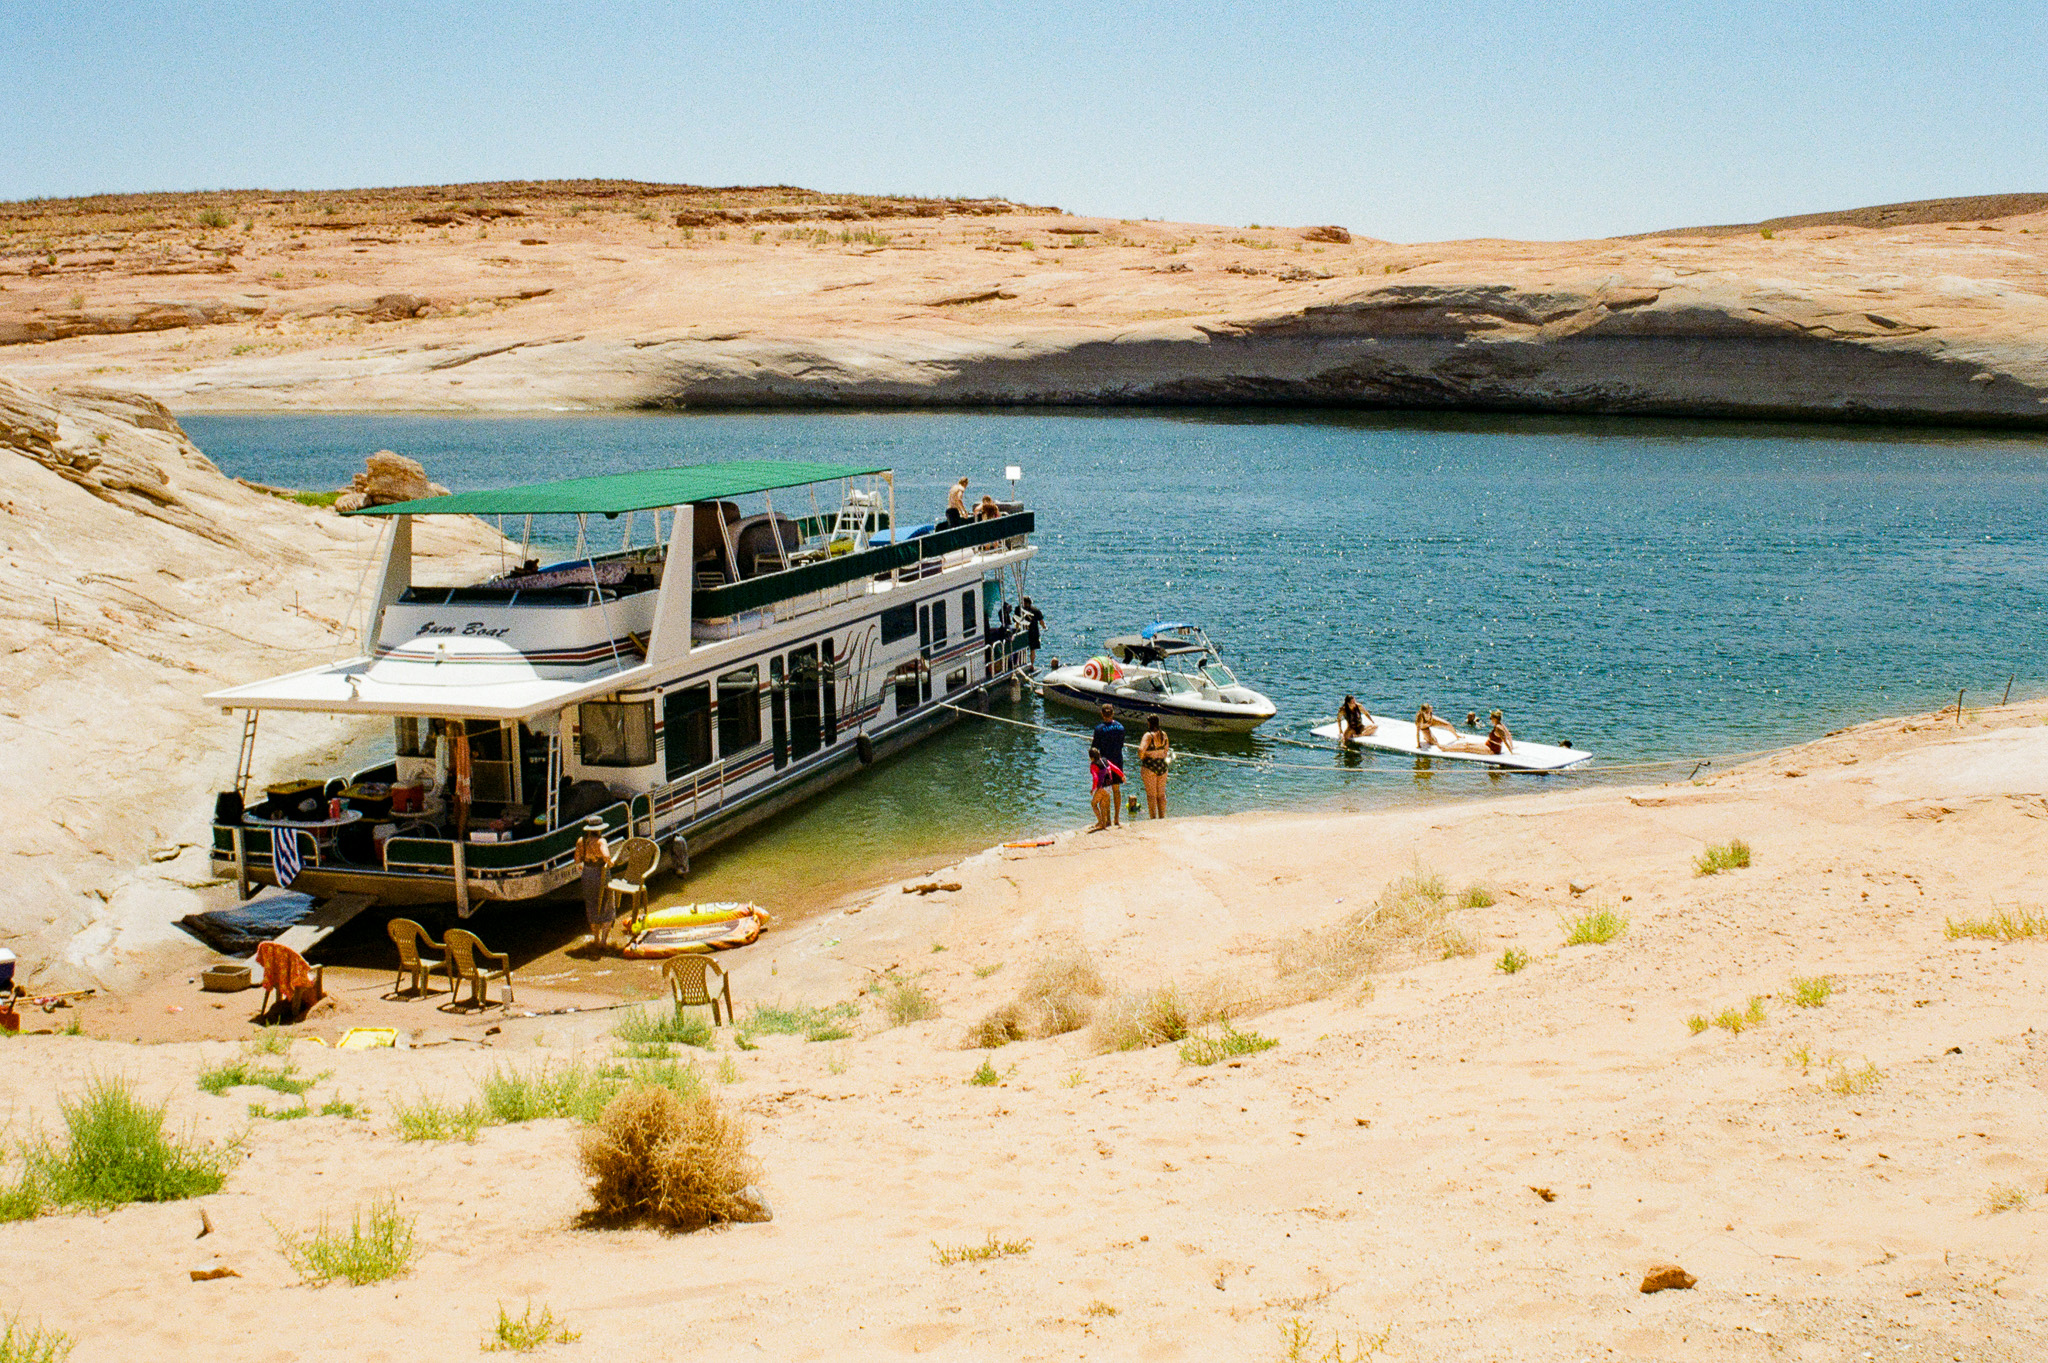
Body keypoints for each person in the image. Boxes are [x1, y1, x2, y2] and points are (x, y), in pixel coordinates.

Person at [575, 816, 615, 947]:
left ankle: (596, 939)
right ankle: (604, 941)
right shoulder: (601, 841)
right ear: (599, 829)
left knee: (592, 906)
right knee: (607, 905)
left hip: (587, 873)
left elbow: (577, 860)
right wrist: (610, 863)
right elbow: (606, 855)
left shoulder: (581, 841)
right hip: (601, 873)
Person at [1092, 704, 1126, 826]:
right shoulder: (1120, 727)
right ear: (1112, 713)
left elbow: (1095, 748)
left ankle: (1107, 820)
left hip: (1105, 763)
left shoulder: (1099, 729)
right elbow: (1121, 744)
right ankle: (1117, 818)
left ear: (1102, 714)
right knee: (1116, 790)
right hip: (1118, 760)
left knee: (1106, 792)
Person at [1138, 715, 1172, 819]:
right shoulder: (1163, 734)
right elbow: (1166, 750)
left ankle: (1153, 818)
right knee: (1161, 795)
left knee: (1151, 795)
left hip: (1150, 765)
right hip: (1162, 764)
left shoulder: (1148, 735)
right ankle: (1162, 817)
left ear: (1149, 723)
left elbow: (1141, 750)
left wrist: (1143, 758)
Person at [1088, 744, 1121, 831]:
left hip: (1102, 787)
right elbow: (1115, 768)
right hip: (1109, 787)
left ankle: (1100, 822)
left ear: (1091, 757)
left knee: (1094, 804)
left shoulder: (1093, 765)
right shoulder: (1105, 760)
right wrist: (1122, 775)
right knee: (1102, 805)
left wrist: (1093, 789)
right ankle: (1103, 824)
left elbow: (1095, 778)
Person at [1017, 596, 1046, 667]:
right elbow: (1041, 622)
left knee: (1021, 648)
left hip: (1024, 632)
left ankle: (1019, 663)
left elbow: (1017, 622)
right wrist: (1044, 627)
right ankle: (1032, 665)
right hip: (1034, 632)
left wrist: (1017, 629)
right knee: (1032, 650)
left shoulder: (1020, 611)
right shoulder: (1036, 610)